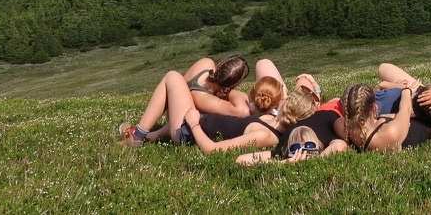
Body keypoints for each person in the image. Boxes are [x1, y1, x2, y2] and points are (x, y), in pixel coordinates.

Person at [119, 55, 251, 145]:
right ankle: (137, 136)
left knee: (174, 78)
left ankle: (146, 134)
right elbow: (242, 111)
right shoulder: (209, 100)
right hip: (181, 128)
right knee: (173, 76)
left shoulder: (206, 63)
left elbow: (179, 91)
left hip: (175, 113)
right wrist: (231, 91)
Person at [181, 87, 314, 155]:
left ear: (286, 104)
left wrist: (194, 124)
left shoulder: (266, 136)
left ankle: (162, 133)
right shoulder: (273, 119)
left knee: (173, 77)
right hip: (201, 118)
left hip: (188, 132)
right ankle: (159, 133)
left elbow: (212, 150)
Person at [340, 84, 431, 152]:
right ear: (373, 107)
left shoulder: (347, 128)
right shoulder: (389, 133)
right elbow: (405, 109)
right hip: (428, 124)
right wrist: (407, 90)